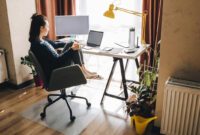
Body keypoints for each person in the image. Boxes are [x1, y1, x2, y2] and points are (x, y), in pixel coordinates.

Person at [29, 13, 101, 81]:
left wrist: (71, 44)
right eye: (47, 26)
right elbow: (57, 62)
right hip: (56, 72)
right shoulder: (40, 45)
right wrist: (71, 49)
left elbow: (55, 44)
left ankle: (84, 70)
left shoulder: (41, 40)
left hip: (56, 66)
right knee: (74, 49)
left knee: (73, 44)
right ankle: (83, 72)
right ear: (41, 28)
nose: (48, 29)